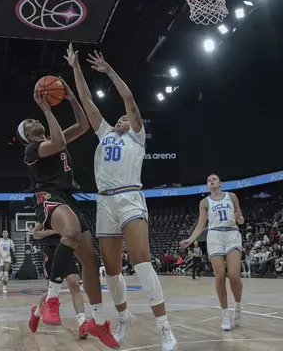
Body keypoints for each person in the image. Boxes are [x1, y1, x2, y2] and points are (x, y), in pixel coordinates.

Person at [65, 44, 177, 350]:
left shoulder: (137, 138)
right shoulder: (105, 134)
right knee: (112, 270)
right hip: (105, 202)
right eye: (119, 118)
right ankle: (124, 316)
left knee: (141, 261)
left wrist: (109, 71)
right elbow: (87, 103)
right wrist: (76, 67)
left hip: (130, 198)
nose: (121, 119)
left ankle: (164, 326)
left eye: (125, 119)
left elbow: (129, 100)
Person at [18, 83, 117, 348]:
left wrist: (72, 98)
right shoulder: (32, 150)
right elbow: (59, 141)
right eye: (30, 121)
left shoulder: (54, 137)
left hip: (68, 197)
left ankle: (95, 320)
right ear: (27, 135)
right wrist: (47, 109)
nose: (35, 120)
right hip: (48, 197)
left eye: (36, 117)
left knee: (90, 261)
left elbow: (83, 126)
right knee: (71, 230)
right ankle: (52, 298)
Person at [180, 174, 245, 331]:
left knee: (235, 276)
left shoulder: (232, 196)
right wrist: (190, 239)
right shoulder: (204, 202)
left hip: (231, 233)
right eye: (208, 180)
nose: (211, 181)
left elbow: (241, 220)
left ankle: (238, 306)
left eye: (214, 179)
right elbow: (201, 225)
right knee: (220, 276)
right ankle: (224, 314)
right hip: (215, 235)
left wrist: (239, 218)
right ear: (207, 186)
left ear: (220, 183)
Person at [29, 223, 89, 339]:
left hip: (68, 249)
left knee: (75, 284)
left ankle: (82, 323)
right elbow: (35, 234)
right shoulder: (46, 215)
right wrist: (53, 231)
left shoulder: (68, 214)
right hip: (51, 251)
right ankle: (36, 313)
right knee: (51, 293)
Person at [0, 230, 15, 294]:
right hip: (0, 257)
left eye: (7, 233)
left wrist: (13, 249)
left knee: (6, 273)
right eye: (4, 233)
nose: (5, 233)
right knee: (0, 274)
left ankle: (4, 288)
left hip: (7, 257)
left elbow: (14, 249)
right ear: (2, 234)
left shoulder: (10, 241)